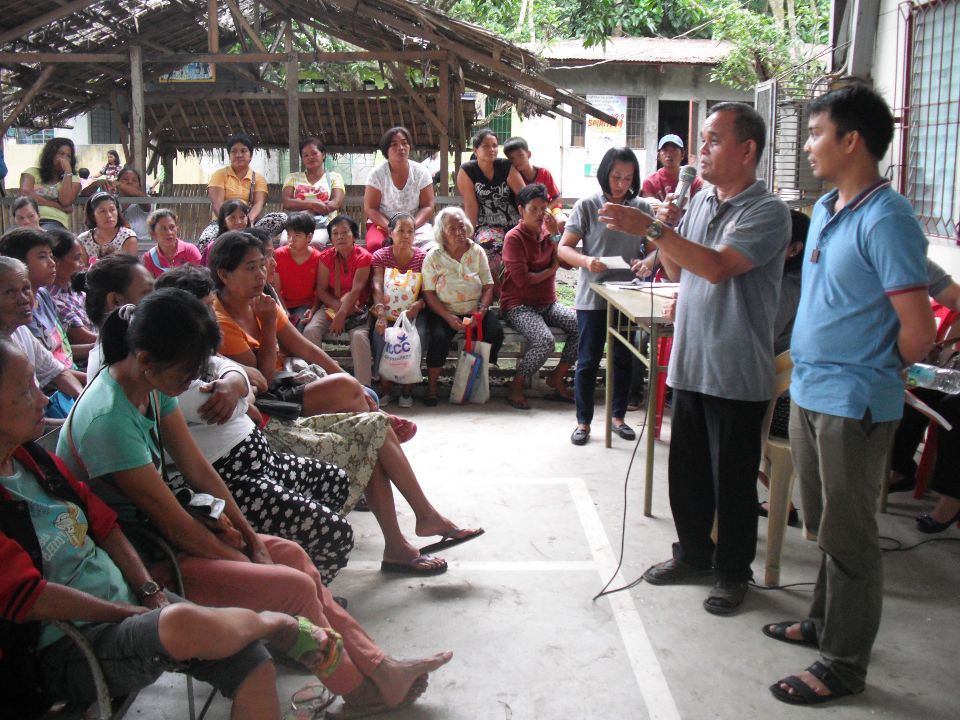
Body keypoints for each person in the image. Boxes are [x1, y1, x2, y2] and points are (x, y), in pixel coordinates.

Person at [52, 292, 454, 715]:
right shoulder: (108, 421)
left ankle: (379, 666)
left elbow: (199, 472)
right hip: (136, 562)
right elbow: (171, 525)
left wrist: (251, 539)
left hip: (168, 536)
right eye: (188, 371)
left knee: (293, 557)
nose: (193, 381)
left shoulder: (149, 383)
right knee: (291, 586)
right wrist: (245, 559)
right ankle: (361, 690)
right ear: (147, 359)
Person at [0, 339, 344, 720]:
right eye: (25, 390)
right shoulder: (106, 417)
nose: (43, 399)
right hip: (70, 642)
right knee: (185, 621)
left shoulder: (32, 460)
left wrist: (146, 590)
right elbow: (32, 598)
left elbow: (105, 526)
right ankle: (274, 625)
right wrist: (125, 612)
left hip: (134, 602)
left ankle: (285, 637)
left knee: (252, 661)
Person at [758, 83, 937, 705]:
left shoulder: (888, 219)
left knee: (852, 538)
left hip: (852, 401)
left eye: (815, 133)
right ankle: (822, 622)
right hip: (810, 391)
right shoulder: (834, 208)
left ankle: (844, 664)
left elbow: (919, 331)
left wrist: (867, 370)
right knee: (827, 527)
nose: (807, 146)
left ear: (851, 140)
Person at [600, 103, 791, 616]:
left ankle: (732, 573)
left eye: (711, 141)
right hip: (691, 357)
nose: (699, 151)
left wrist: (658, 230)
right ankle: (692, 555)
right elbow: (677, 270)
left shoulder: (766, 212)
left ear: (747, 150)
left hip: (735, 367)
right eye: (700, 141)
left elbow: (718, 267)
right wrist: (664, 229)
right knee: (685, 471)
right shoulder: (701, 202)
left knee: (732, 480)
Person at [209, 231, 484, 574]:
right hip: (268, 405)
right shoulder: (219, 318)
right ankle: (418, 521)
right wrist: (267, 330)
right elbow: (259, 381)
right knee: (360, 408)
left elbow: (307, 349)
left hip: (289, 389)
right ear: (224, 274)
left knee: (368, 422)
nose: (262, 274)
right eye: (251, 268)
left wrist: (358, 387)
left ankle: (407, 531)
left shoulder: (260, 302)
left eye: (262, 265)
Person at [557, 147, 650, 446]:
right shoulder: (587, 205)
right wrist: (586, 261)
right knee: (588, 360)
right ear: (604, 174)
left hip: (628, 294)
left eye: (627, 177)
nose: (621, 183)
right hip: (593, 296)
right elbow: (564, 248)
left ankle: (618, 417)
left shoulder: (642, 208)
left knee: (623, 359)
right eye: (615, 176)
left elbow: (656, 248)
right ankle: (583, 422)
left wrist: (647, 263)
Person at [501, 184, 578, 410]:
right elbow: (523, 280)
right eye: (532, 209)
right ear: (521, 210)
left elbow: (565, 263)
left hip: (548, 303)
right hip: (518, 305)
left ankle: (557, 377)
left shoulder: (548, 234)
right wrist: (551, 269)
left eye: (543, 209)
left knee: (580, 326)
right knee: (545, 341)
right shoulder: (513, 238)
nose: (538, 214)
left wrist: (555, 237)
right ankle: (517, 384)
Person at [421, 206, 504, 406]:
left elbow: (488, 286)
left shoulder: (476, 251)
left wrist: (480, 313)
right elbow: (429, 293)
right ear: (442, 232)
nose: (459, 232)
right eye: (453, 228)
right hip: (444, 311)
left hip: (474, 309)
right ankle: (432, 386)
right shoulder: (433, 256)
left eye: (461, 226)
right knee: (439, 338)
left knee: (494, 332)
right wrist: (447, 317)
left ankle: (477, 377)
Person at [0, 257, 82, 413]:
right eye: (10, 292)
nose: (23, 299)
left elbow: (58, 372)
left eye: (26, 289)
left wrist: (82, 402)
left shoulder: (20, 331)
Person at [303, 215, 374, 387]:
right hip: (331, 307)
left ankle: (364, 389)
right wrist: (338, 309)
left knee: (359, 337)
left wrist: (341, 314)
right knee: (310, 331)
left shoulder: (363, 257)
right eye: (335, 234)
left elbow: (357, 289)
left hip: (357, 309)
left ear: (354, 236)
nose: (340, 237)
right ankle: (322, 384)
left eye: (345, 232)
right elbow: (321, 290)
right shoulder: (326, 257)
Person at [0, 228, 84, 372]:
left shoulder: (43, 295)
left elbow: (64, 351)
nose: (52, 263)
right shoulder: (19, 314)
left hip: (71, 373)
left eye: (51, 256)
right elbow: (48, 371)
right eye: (42, 257)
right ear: (19, 264)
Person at [370, 212, 428, 408]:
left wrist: (419, 304)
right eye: (401, 230)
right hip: (385, 311)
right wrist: (380, 314)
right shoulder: (381, 255)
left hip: (413, 313)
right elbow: (377, 285)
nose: (405, 235)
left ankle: (406, 391)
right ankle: (386, 389)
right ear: (390, 232)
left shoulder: (422, 257)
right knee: (381, 336)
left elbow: (426, 292)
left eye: (410, 231)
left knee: (417, 336)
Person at [456, 128, 525, 290]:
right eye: (486, 146)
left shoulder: (506, 166)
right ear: (475, 149)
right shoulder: (467, 170)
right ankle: (498, 293)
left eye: (494, 145)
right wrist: (469, 236)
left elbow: (524, 195)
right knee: (489, 246)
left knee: (520, 248)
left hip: (513, 222)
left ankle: (518, 292)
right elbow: (471, 205)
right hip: (486, 224)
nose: (492, 149)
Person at [197, 133, 285, 254]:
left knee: (281, 218)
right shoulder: (220, 175)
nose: (238, 155)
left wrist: (245, 222)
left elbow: (258, 204)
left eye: (243, 151)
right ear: (229, 155)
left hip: (248, 223)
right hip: (222, 224)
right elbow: (217, 203)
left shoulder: (258, 178)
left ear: (251, 155)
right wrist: (230, 222)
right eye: (234, 151)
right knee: (205, 241)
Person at [363, 126, 435, 252]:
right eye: (394, 144)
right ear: (386, 150)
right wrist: (392, 229)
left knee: (430, 249)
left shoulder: (421, 172)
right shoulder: (377, 174)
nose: (400, 148)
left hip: (416, 225)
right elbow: (370, 208)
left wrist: (410, 227)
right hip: (384, 225)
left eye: (404, 143)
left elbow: (428, 206)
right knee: (376, 246)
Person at [282, 137, 346, 246]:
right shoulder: (292, 177)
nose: (310, 157)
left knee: (315, 242)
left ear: (323, 154)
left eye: (314, 153)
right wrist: (313, 205)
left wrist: (303, 207)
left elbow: (335, 203)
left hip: (323, 224)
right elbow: (287, 202)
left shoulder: (334, 177)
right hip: (296, 224)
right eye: (305, 155)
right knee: (285, 242)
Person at [46, 226, 98, 349]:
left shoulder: (74, 289)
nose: (81, 264)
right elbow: (83, 337)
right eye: (76, 258)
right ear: (55, 262)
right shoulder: (54, 299)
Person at [18, 138, 82, 231]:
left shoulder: (73, 178)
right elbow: (25, 193)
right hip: (27, 219)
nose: (64, 158)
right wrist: (56, 205)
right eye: (61, 154)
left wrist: (67, 172)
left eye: (68, 156)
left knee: (46, 233)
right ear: (51, 155)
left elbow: (65, 201)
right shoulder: (32, 172)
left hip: (54, 221)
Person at [274, 211, 322, 323]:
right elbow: (276, 289)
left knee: (299, 323)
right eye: (289, 235)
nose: (291, 240)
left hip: (305, 305)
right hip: (282, 303)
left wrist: (313, 309)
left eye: (297, 236)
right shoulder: (278, 255)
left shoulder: (318, 258)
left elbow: (320, 290)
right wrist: (284, 310)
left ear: (309, 237)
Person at [76, 191, 139, 265]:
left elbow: (130, 269)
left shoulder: (127, 236)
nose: (109, 215)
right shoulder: (83, 239)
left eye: (112, 210)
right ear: (92, 215)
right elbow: (82, 269)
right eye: (102, 211)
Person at [641, 134, 703, 204]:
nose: (669, 154)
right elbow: (649, 211)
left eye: (674, 150)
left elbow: (698, 209)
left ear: (682, 155)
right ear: (658, 155)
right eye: (665, 150)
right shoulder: (650, 183)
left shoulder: (694, 181)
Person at [142, 209, 202, 277]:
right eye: (163, 228)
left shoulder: (190, 251)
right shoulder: (149, 257)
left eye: (172, 227)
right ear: (153, 233)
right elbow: (149, 285)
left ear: (177, 228)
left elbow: (201, 279)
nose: (169, 232)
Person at [116, 166, 153, 245]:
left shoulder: (145, 199)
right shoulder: (111, 201)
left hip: (141, 248)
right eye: (125, 179)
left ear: (139, 185)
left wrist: (118, 184)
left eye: (134, 180)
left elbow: (141, 197)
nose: (129, 182)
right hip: (118, 248)